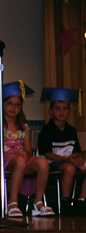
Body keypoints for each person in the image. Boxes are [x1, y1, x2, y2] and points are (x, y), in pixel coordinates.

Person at [0, 81, 51, 217]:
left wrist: (25, 153)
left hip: (21, 160)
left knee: (43, 164)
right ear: (2, 105)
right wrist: (13, 155)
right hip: (3, 161)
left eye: (17, 104)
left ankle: (38, 202)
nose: (13, 107)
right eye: (9, 103)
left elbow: (28, 150)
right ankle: (13, 202)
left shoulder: (24, 127)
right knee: (20, 161)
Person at [37, 87, 85, 216]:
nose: (61, 111)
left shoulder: (71, 130)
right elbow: (47, 154)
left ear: (69, 112)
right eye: (57, 108)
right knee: (70, 168)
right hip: (51, 162)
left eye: (65, 108)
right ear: (50, 111)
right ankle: (65, 201)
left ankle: (82, 200)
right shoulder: (47, 130)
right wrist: (68, 160)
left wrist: (76, 158)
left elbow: (75, 151)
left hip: (68, 161)